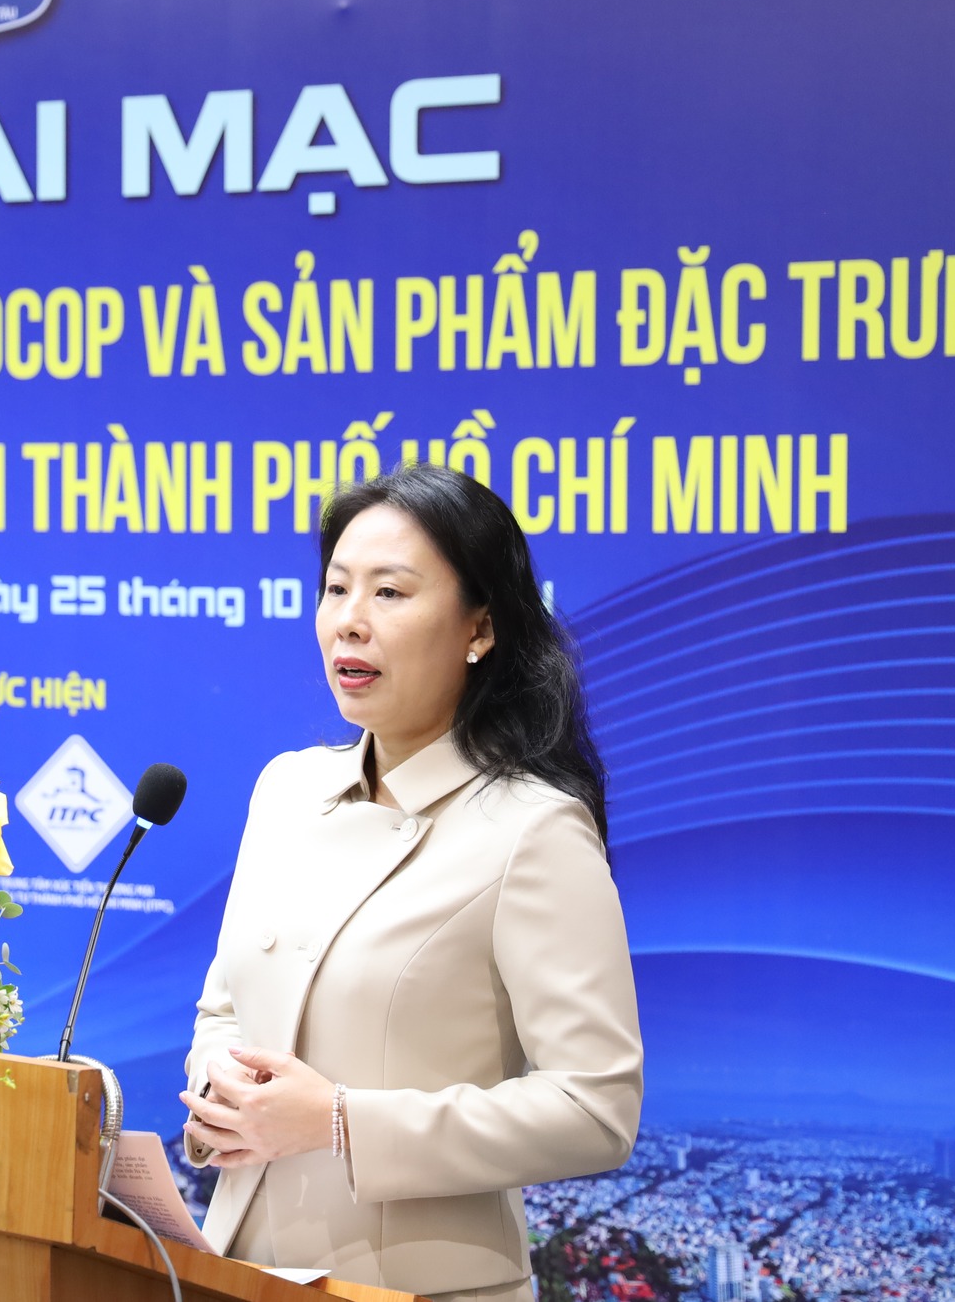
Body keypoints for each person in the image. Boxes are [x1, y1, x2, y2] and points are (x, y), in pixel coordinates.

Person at [180, 466, 642, 1302]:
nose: (349, 620)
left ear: (480, 627)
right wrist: (221, 1083)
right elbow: (226, 1011)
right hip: (243, 1267)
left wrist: (340, 1120)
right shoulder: (286, 789)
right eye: (336, 588)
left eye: (389, 592)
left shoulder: (532, 827)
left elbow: (595, 1108)